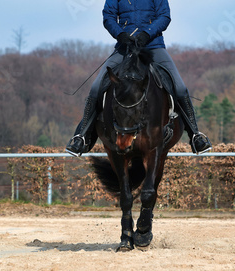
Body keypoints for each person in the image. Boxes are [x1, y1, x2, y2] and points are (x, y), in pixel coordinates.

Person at [66, 0, 211, 156]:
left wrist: (147, 33)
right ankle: (81, 136)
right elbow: (108, 16)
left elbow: (164, 16)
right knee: (95, 88)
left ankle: (195, 136)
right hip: (124, 48)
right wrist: (121, 35)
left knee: (180, 88)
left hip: (154, 46)